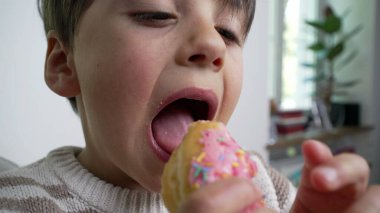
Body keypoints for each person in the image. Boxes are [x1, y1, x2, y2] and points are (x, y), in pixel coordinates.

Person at [0, 0, 379, 212]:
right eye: (157, 14)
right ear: (64, 63)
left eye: (227, 32)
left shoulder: (267, 191)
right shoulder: (20, 203)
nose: (212, 44)